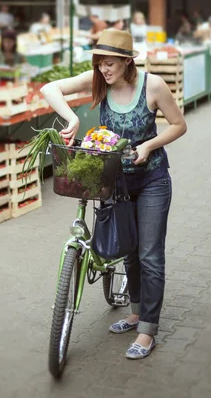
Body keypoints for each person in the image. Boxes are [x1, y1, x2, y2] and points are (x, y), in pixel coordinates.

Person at [41, 28, 187, 359]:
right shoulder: (99, 82)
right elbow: (49, 88)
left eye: (109, 64)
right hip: (116, 182)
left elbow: (179, 125)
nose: (103, 70)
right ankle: (134, 313)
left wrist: (148, 146)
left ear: (125, 62)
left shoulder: (153, 86)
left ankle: (148, 330)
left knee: (150, 254)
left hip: (152, 181)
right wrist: (70, 117)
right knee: (130, 250)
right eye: (99, 64)